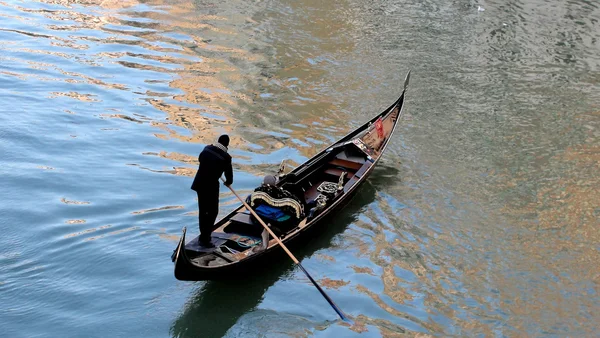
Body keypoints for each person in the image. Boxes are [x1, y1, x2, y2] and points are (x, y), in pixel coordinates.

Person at [191, 134, 233, 247]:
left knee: (203, 211)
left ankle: (203, 235)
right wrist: (228, 182)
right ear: (227, 144)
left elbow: (200, 159)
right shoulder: (226, 157)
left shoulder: (207, 148)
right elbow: (229, 176)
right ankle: (205, 238)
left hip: (199, 184)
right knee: (213, 212)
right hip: (211, 187)